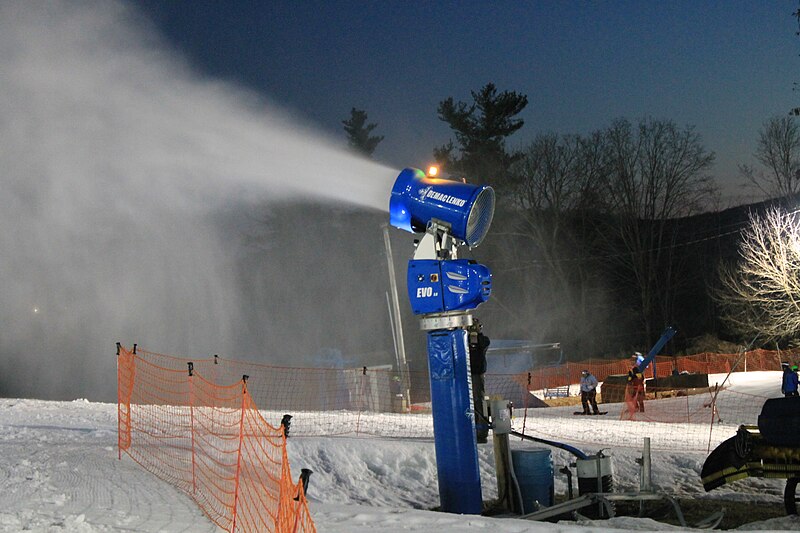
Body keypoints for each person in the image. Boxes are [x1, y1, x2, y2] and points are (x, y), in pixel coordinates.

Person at [468, 319, 490, 443]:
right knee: (466, 403)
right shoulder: (464, 340)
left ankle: (481, 432)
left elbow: (483, 343)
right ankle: (469, 429)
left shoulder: (483, 340)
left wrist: (477, 334)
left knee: (478, 402)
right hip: (465, 374)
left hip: (477, 375)